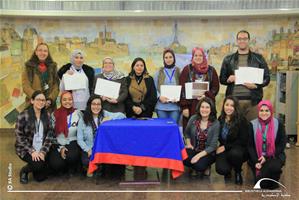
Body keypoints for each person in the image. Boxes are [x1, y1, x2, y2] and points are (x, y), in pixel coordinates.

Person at [219, 30, 270, 121]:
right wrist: (228, 79)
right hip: (233, 102)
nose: (242, 41)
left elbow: (267, 78)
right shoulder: (228, 59)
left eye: (245, 39)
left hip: (253, 102)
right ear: (237, 41)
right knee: (234, 130)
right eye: (240, 39)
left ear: (248, 40)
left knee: (252, 129)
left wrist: (256, 85)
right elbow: (222, 79)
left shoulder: (259, 58)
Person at [77, 95, 126, 177]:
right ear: (89, 105)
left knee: (109, 168)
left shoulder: (105, 114)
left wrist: (110, 119)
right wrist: (88, 150)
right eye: (93, 104)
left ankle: (100, 168)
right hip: (90, 147)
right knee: (86, 162)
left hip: (103, 148)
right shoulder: (83, 119)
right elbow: (80, 139)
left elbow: (122, 116)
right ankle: (93, 168)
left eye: (98, 104)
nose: (96, 106)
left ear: (101, 106)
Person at [15, 91, 53, 184]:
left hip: (41, 148)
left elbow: (50, 134)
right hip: (26, 149)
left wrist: (43, 151)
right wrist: (32, 151)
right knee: (38, 166)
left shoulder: (47, 115)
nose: (41, 102)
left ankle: (38, 165)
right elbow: (19, 136)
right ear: (32, 101)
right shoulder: (23, 115)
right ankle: (24, 171)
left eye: (43, 100)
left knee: (41, 178)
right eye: (38, 100)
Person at [248, 100, 286, 189]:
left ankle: (275, 174)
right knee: (260, 184)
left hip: (273, 156)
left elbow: (282, 144)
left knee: (274, 169)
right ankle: (270, 176)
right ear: (258, 111)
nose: (264, 113)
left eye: (267, 110)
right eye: (261, 110)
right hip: (257, 157)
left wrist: (267, 157)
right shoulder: (252, 124)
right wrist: (256, 161)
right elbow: (250, 145)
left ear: (271, 111)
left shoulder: (278, 123)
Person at [180, 47, 219, 131]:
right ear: (192, 57)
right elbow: (182, 89)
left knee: (208, 130)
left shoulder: (211, 70)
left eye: (200, 55)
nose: (198, 57)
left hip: (207, 106)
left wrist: (206, 95)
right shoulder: (187, 69)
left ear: (204, 57)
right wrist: (184, 107)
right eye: (196, 55)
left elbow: (215, 88)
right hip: (191, 106)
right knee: (191, 130)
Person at [215, 96, 249, 184]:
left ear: (235, 107)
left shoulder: (241, 120)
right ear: (223, 106)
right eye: (227, 105)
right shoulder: (221, 119)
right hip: (225, 148)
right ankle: (228, 169)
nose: (229, 108)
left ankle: (238, 171)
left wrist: (225, 147)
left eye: (232, 105)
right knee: (221, 169)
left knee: (235, 154)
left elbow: (243, 140)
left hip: (238, 149)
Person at [183, 97, 219, 177]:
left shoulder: (215, 123)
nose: (204, 110)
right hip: (194, 149)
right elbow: (187, 133)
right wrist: (188, 144)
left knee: (199, 166)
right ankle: (194, 165)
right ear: (199, 108)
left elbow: (213, 146)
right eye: (202, 107)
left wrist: (197, 156)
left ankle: (204, 166)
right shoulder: (193, 118)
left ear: (211, 109)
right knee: (181, 156)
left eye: (207, 107)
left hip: (207, 153)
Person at [48, 91, 82, 175]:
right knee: (56, 164)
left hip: (73, 141)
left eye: (70, 99)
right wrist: (61, 147)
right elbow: (51, 134)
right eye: (64, 100)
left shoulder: (78, 113)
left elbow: (83, 131)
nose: (67, 102)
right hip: (58, 142)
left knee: (71, 156)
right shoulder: (54, 114)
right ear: (61, 101)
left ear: (73, 101)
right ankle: (63, 167)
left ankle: (72, 166)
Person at [22, 43, 59, 111]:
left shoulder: (53, 67)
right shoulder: (29, 67)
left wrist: (49, 100)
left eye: (45, 51)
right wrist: (38, 99)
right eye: (40, 50)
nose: (43, 53)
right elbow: (26, 86)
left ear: (48, 53)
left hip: (49, 107)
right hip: (33, 106)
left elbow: (56, 86)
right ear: (36, 52)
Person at [154, 48, 181, 123]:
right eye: (166, 57)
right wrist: (159, 97)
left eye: (170, 57)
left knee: (172, 129)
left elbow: (183, 87)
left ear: (174, 58)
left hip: (175, 107)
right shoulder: (159, 72)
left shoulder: (179, 71)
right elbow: (154, 88)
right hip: (161, 107)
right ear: (163, 59)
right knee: (163, 129)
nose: (168, 59)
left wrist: (179, 97)